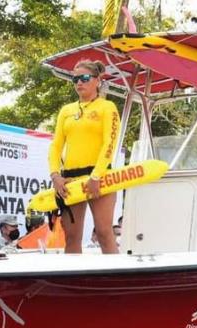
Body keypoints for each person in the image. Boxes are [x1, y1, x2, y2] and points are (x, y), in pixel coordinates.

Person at [48, 59, 121, 254]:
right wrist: (55, 176)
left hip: (100, 177)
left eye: (85, 78)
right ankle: (72, 282)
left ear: (97, 80)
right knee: (71, 237)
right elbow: (56, 146)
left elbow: (110, 143)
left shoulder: (108, 107)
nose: (79, 82)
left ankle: (116, 279)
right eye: (75, 79)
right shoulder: (67, 110)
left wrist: (96, 176)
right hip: (70, 179)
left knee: (105, 233)